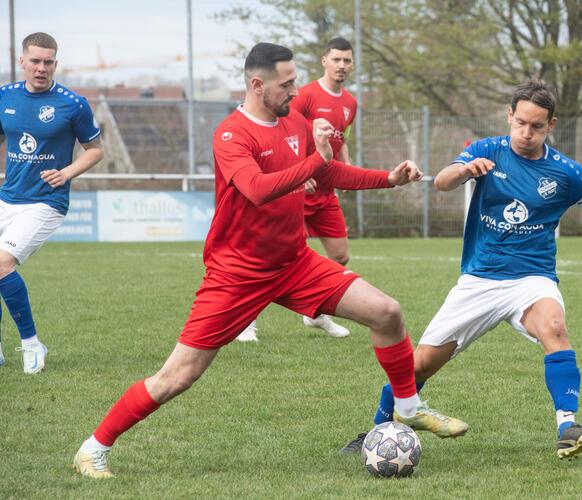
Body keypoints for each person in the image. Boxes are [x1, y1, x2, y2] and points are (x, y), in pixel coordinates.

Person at [72, 42, 465, 479]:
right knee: (177, 376)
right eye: (287, 83)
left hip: (294, 263)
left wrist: (387, 180)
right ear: (257, 85)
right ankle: (94, 447)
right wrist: (317, 159)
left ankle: (408, 408)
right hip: (237, 273)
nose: (295, 91)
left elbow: (327, 173)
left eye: (295, 81)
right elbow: (257, 188)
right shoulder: (231, 135)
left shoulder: (293, 121)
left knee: (387, 312)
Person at [340, 79, 582, 460]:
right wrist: (466, 170)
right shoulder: (488, 149)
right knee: (418, 365)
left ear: (551, 126)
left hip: (532, 280)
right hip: (480, 281)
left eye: (536, 126)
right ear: (509, 116)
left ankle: (567, 426)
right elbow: (441, 182)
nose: (526, 132)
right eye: (520, 122)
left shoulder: (566, 173)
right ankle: (376, 431)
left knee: (555, 327)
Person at [236, 37, 357, 342]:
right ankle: (247, 320)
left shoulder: (351, 103)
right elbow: (285, 134)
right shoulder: (302, 96)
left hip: (325, 189)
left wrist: (347, 169)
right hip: (295, 188)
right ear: (324, 61)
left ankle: (313, 312)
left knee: (340, 255)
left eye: (347, 60)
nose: (342, 66)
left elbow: (340, 143)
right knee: (272, 258)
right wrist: (302, 171)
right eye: (337, 60)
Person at [0, 32, 103, 373]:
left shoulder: (73, 104)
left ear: (55, 64)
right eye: (35, 61)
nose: (41, 68)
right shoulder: (4, 97)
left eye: (48, 62)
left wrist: (67, 172)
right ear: (22, 62)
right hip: (7, 198)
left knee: (1, 264)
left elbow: (96, 151)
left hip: (46, 201)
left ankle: (31, 345)